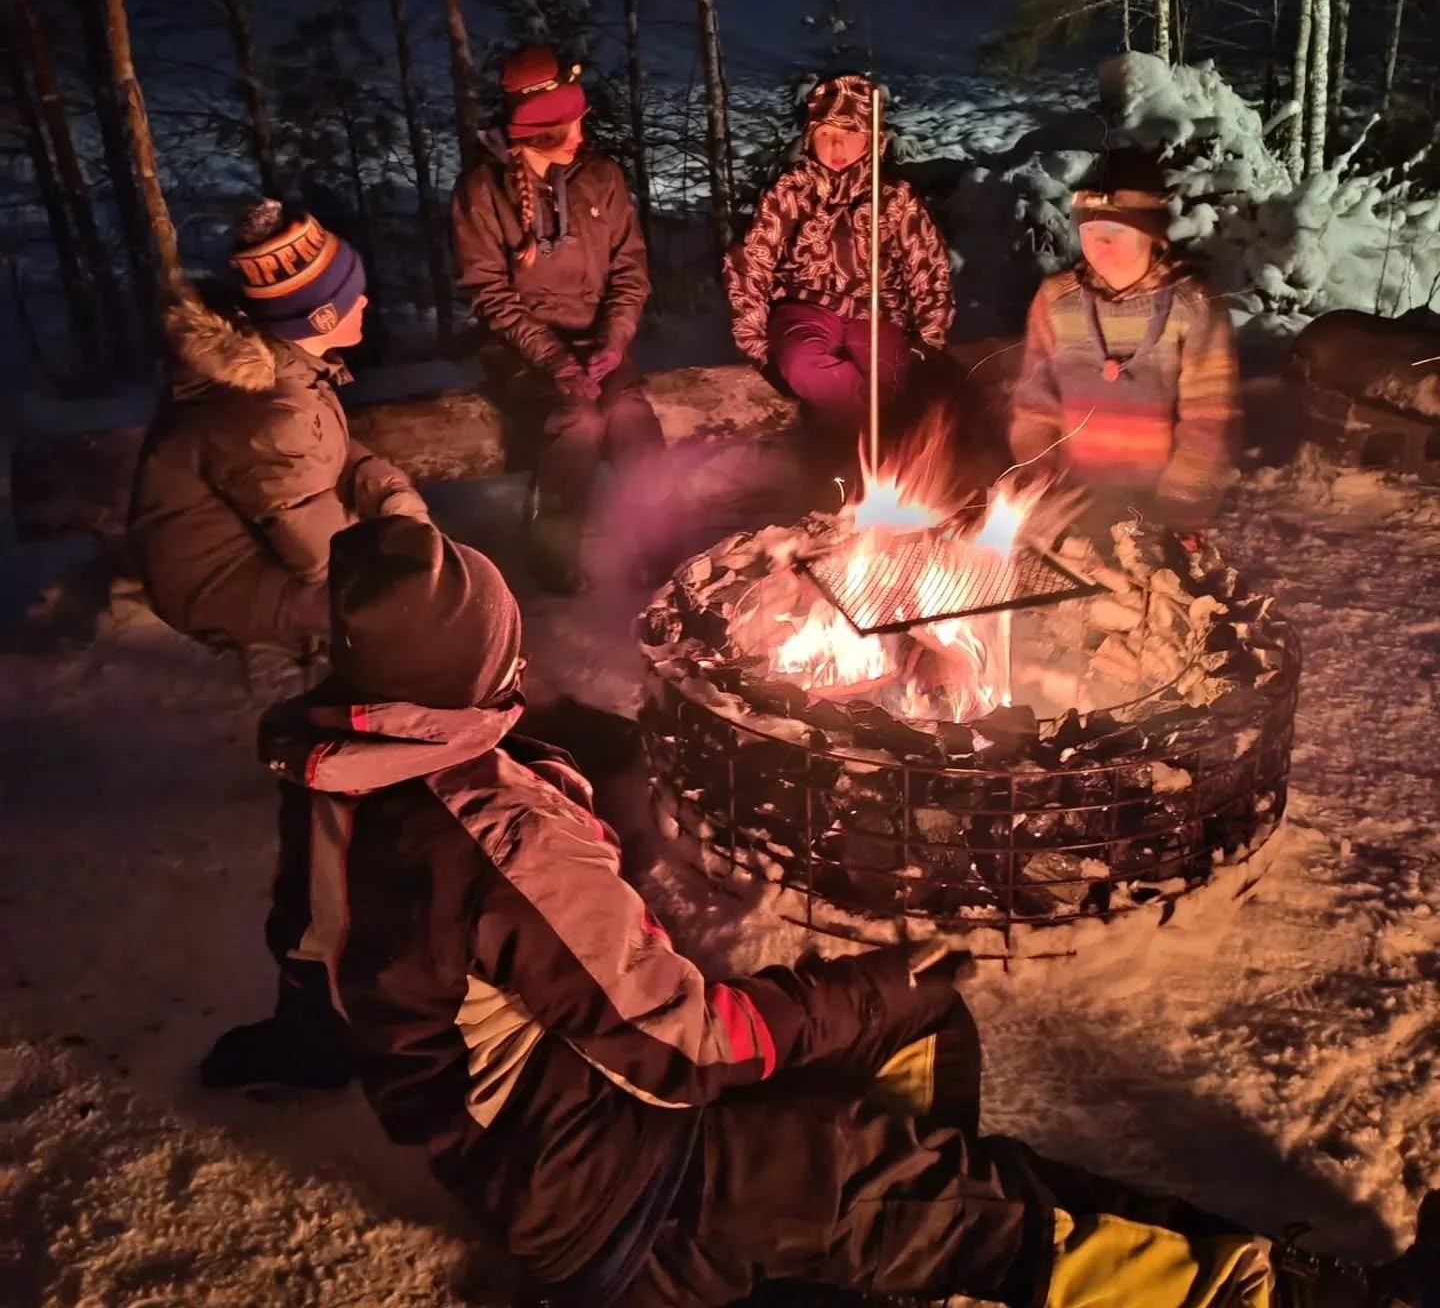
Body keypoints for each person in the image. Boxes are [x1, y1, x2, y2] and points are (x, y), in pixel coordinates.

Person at [254, 514, 1433, 1308]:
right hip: (608, 1193)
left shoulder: (344, 776)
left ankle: (900, 1243)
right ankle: (1272, 1290)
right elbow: (683, 1044)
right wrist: (867, 984)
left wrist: (303, 1043)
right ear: (479, 662)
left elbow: (312, 956)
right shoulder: (493, 834)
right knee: (914, 1172)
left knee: (920, 1034)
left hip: (564, 1125)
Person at [129, 199, 429, 674]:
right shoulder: (270, 405)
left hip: (244, 548)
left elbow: (323, 453)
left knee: (407, 570)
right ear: (321, 317)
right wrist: (397, 563)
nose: (366, 301)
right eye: (353, 295)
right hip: (215, 584)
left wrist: (384, 489)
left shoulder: (286, 369)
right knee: (396, 608)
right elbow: (321, 557)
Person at [451, 46, 664, 595]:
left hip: (597, 340)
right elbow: (489, 293)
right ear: (536, 134)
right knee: (578, 422)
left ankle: (663, 548)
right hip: (524, 348)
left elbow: (630, 269)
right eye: (565, 128)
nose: (579, 136)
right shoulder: (483, 192)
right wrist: (553, 359)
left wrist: (614, 341)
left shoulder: (602, 178)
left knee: (629, 412)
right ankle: (552, 556)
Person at [1009, 147, 1239, 534]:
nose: (1100, 245)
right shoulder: (1056, 300)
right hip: (1072, 501)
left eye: (1115, 233)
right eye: (1089, 232)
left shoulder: (1193, 306)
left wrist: (1176, 507)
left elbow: (1208, 421)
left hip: (1158, 508)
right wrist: (1042, 484)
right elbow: (1035, 406)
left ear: (1151, 235)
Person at [725, 73, 955, 457]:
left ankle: (873, 459)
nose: (836, 145)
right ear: (810, 137)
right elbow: (752, 263)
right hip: (805, 309)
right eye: (826, 132)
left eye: (849, 132)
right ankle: (875, 445)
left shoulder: (894, 198)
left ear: (871, 138)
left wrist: (927, 342)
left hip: (878, 315)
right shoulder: (791, 192)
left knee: (892, 375)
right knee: (803, 364)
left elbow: (928, 268)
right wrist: (758, 347)